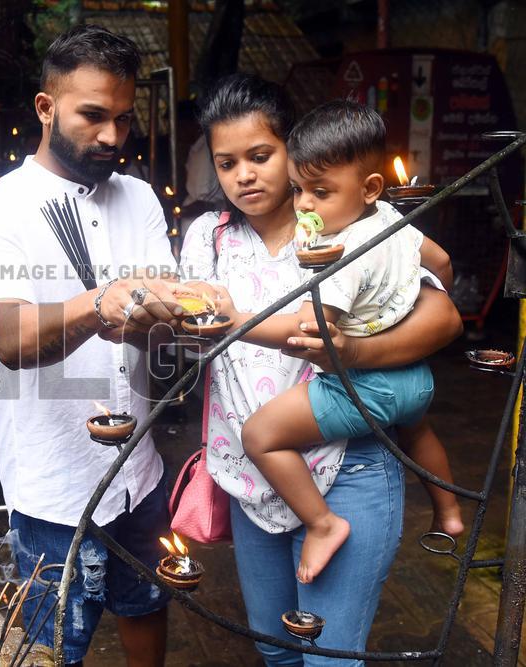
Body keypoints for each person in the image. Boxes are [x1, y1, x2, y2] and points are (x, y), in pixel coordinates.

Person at [179, 74, 463, 664]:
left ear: (294, 151)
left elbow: (443, 316)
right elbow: (190, 335)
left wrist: (354, 352)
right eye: (227, 163)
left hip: (347, 462)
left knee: (329, 657)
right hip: (251, 471)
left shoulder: (355, 231)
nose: (245, 176)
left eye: (261, 156)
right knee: (278, 649)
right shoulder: (208, 238)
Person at [0, 24, 183, 666]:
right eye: (92, 116)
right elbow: (11, 339)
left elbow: (165, 315)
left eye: (123, 118)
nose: (112, 135)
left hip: (139, 474)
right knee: (55, 649)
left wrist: (187, 312)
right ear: (46, 107)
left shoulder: (137, 198)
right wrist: (103, 301)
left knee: (147, 607)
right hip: (54, 486)